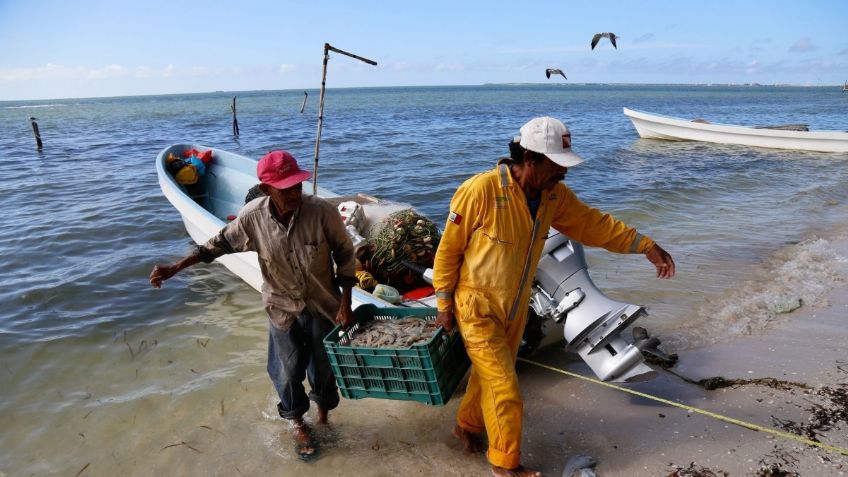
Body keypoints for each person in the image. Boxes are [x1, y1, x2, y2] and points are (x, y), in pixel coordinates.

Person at [432, 117, 675, 477]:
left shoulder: (552, 196)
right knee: (505, 388)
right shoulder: (481, 190)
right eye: (556, 164)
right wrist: (443, 304)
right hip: (476, 306)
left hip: (516, 307)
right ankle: (504, 465)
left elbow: (593, 224)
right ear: (529, 158)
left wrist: (644, 245)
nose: (564, 172)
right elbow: (448, 251)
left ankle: (465, 429)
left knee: (488, 378)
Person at [149, 150, 357, 462]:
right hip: (281, 307)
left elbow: (345, 254)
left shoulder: (321, 212)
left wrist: (346, 303)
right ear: (266, 189)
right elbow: (215, 245)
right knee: (286, 371)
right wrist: (177, 267)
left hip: (323, 305)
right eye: (285, 189)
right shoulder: (251, 217)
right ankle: (299, 423)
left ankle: (324, 418)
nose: (294, 193)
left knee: (323, 368)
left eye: (297, 186)